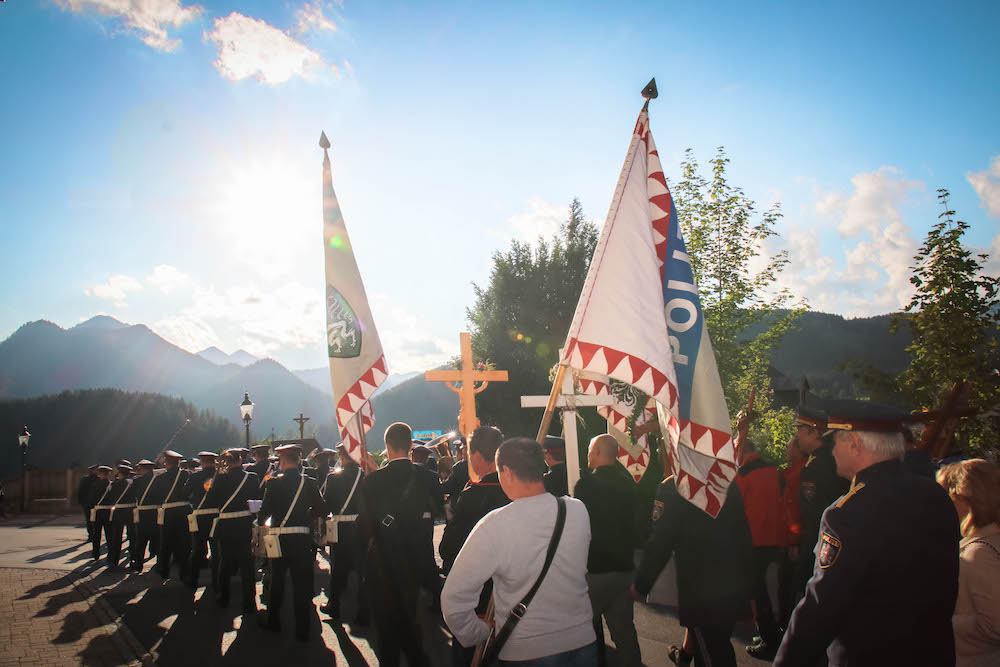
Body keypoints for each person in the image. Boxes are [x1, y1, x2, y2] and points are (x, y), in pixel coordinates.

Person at [774, 402, 960, 667]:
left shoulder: (846, 514)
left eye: (836, 441)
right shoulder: (935, 495)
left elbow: (822, 605)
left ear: (854, 444)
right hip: (932, 654)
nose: (833, 450)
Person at [442, 437, 596, 665]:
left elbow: (453, 600)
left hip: (526, 649)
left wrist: (479, 632)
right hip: (582, 641)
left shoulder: (494, 524)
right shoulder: (577, 509)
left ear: (506, 471)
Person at [632, 473, 753, 667]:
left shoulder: (674, 486)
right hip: (731, 584)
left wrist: (641, 584)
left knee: (714, 654)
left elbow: (660, 542)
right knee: (718, 646)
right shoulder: (726, 482)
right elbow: (745, 538)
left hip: (701, 591)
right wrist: (750, 590)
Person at [357, 422, 435, 667]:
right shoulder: (429, 478)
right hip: (415, 561)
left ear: (386, 447)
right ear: (411, 445)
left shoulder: (372, 481)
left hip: (382, 563)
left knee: (386, 628)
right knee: (409, 617)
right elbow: (434, 515)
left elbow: (364, 527)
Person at [438, 426, 511, 667]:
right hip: (517, 597)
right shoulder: (515, 491)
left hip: (481, 599)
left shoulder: (474, 495)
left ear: (478, 456)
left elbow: (449, 548)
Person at [574, 434, 642, 667]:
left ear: (599, 453)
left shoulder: (585, 486)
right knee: (624, 632)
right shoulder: (627, 483)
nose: (588, 454)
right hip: (624, 567)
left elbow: (581, 527)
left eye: (591, 450)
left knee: (586, 633)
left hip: (595, 569)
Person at [257, 444, 326, 641]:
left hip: (279, 540)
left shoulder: (273, 484)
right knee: (302, 585)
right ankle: (302, 630)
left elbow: (263, 515)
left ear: (283, 461)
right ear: (298, 460)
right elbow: (322, 509)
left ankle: (274, 622)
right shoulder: (310, 482)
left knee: (277, 581)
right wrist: (305, 515)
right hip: (303, 540)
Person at [937, 459, 1000, 666]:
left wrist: (937, 620)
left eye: (946, 495)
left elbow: (994, 624)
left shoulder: (979, 553)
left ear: (964, 499)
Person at [733, 438, 786, 660]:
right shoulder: (775, 469)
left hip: (751, 540)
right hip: (773, 537)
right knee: (761, 588)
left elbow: (735, 509)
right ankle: (768, 632)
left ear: (742, 450)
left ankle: (769, 638)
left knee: (757, 592)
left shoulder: (743, 474)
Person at [793, 402, 848, 602]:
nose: (797, 436)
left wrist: (807, 550)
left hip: (821, 543)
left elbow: (814, 513)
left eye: (801, 431)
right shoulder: (832, 459)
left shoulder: (816, 467)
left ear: (814, 433)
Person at [204, 449, 259, 611]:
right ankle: (249, 603)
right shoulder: (252, 478)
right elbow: (257, 498)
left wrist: (217, 476)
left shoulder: (220, 478)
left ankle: (223, 597)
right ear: (241, 460)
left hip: (226, 526)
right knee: (247, 566)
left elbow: (209, 501)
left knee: (225, 564)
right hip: (245, 525)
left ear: (226, 462)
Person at [321, 444, 366, 620]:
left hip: (340, 529)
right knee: (362, 571)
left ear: (342, 456)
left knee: (338, 570)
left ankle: (334, 606)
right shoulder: (365, 476)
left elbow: (326, 506)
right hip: (361, 528)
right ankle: (364, 612)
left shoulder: (334, 478)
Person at [150, 450, 191, 580]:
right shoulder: (187, 475)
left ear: (166, 463)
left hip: (167, 512)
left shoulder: (160, 478)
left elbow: (154, 496)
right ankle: (184, 571)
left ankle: (164, 570)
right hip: (184, 511)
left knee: (165, 543)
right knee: (184, 543)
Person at [778, 435, 805, 628]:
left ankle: (785, 629)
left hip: (794, 540)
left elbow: (797, 510)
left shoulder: (801, 474)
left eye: (789, 447)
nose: (787, 451)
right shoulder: (793, 472)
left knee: (789, 588)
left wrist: (795, 542)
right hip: (790, 538)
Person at [184, 451, 219, 588]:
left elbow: (185, 493)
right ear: (214, 462)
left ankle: (193, 580)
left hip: (200, 517)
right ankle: (217, 582)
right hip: (217, 517)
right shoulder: (221, 476)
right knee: (216, 552)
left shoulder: (195, 477)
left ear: (202, 462)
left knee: (198, 550)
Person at [130, 459, 159, 572]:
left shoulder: (138, 481)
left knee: (140, 540)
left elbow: (132, 494)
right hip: (155, 512)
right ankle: (157, 561)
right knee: (156, 537)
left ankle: (138, 564)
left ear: (143, 469)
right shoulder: (158, 480)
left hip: (142, 513)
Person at [107, 463, 136, 569]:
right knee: (133, 536)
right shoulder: (133, 483)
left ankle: (113, 560)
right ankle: (133, 558)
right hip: (131, 510)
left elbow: (110, 498)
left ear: (119, 473)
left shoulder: (114, 484)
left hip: (118, 511)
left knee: (116, 536)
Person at [87, 466, 114, 562]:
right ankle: (110, 555)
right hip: (108, 512)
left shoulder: (95, 485)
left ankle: (95, 554)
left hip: (98, 511)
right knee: (109, 534)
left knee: (97, 534)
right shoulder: (111, 485)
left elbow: (91, 498)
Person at [77, 464, 100, 541]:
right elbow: (80, 491)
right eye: (96, 469)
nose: (97, 471)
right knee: (89, 520)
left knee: (96, 520)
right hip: (88, 503)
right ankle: (91, 535)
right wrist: (81, 502)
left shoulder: (99, 479)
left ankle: (94, 535)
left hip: (96, 503)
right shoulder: (85, 479)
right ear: (92, 470)